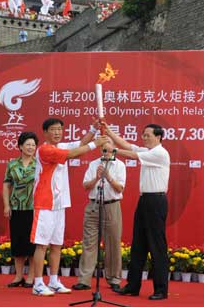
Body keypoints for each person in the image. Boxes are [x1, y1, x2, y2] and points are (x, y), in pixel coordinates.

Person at [31, 118, 108, 297]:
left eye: (59, 129)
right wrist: (96, 143)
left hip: (59, 203)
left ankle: (54, 280)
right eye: (53, 129)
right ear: (45, 132)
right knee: (42, 245)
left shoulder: (62, 145)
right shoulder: (45, 150)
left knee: (57, 244)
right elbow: (72, 154)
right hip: (44, 203)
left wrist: (93, 129)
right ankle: (37, 283)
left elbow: (80, 144)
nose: (57, 132)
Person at [105, 123, 170, 301]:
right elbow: (128, 145)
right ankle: (133, 286)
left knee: (156, 246)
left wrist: (113, 151)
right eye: (143, 134)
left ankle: (161, 289)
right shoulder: (148, 151)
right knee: (138, 244)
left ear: (158, 137)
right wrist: (109, 131)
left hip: (156, 201)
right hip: (144, 201)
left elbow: (132, 154)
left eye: (148, 135)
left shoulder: (160, 153)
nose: (144, 137)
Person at [72, 137, 126, 291]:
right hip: (93, 205)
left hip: (112, 206)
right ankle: (84, 280)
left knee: (113, 243)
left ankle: (114, 279)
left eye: (110, 150)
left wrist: (108, 177)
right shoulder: (93, 164)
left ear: (114, 149)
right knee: (89, 242)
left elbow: (120, 188)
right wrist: (97, 177)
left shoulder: (120, 165)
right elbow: (85, 186)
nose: (107, 153)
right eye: (104, 150)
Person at [3, 131, 38, 288]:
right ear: (20, 146)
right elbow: (6, 185)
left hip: (34, 208)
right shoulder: (12, 164)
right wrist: (6, 205)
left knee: (31, 245)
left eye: (33, 145)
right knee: (17, 243)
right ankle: (18, 276)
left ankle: (30, 277)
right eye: (28, 144)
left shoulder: (39, 164)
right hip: (16, 207)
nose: (31, 147)